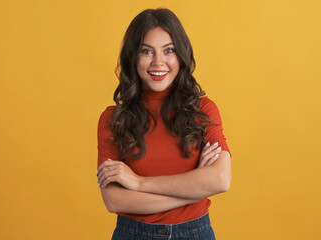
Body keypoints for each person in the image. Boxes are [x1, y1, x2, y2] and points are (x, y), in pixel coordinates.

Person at [97, 8, 231, 240]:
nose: (158, 62)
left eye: (169, 50)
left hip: (195, 234)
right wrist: (194, 189)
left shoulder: (203, 110)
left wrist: (137, 182)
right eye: (146, 51)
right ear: (133, 57)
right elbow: (114, 200)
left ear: (181, 55)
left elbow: (220, 179)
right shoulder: (113, 119)